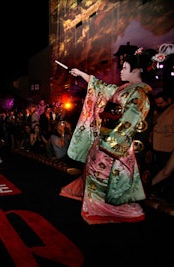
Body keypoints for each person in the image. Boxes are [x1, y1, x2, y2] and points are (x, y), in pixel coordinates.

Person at [60, 46, 157, 224]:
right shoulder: (124, 89)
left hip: (116, 144)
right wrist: (81, 73)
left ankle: (106, 207)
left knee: (103, 174)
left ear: (136, 70)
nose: (121, 71)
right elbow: (102, 87)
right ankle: (95, 204)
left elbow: (130, 120)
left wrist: (110, 143)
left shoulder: (140, 92)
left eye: (125, 68)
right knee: (93, 170)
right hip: (105, 137)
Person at [150, 91, 174, 202]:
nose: (159, 106)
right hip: (156, 149)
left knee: (167, 176)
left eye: (161, 103)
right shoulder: (158, 112)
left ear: (168, 101)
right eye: (157, 104)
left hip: (168, 150)